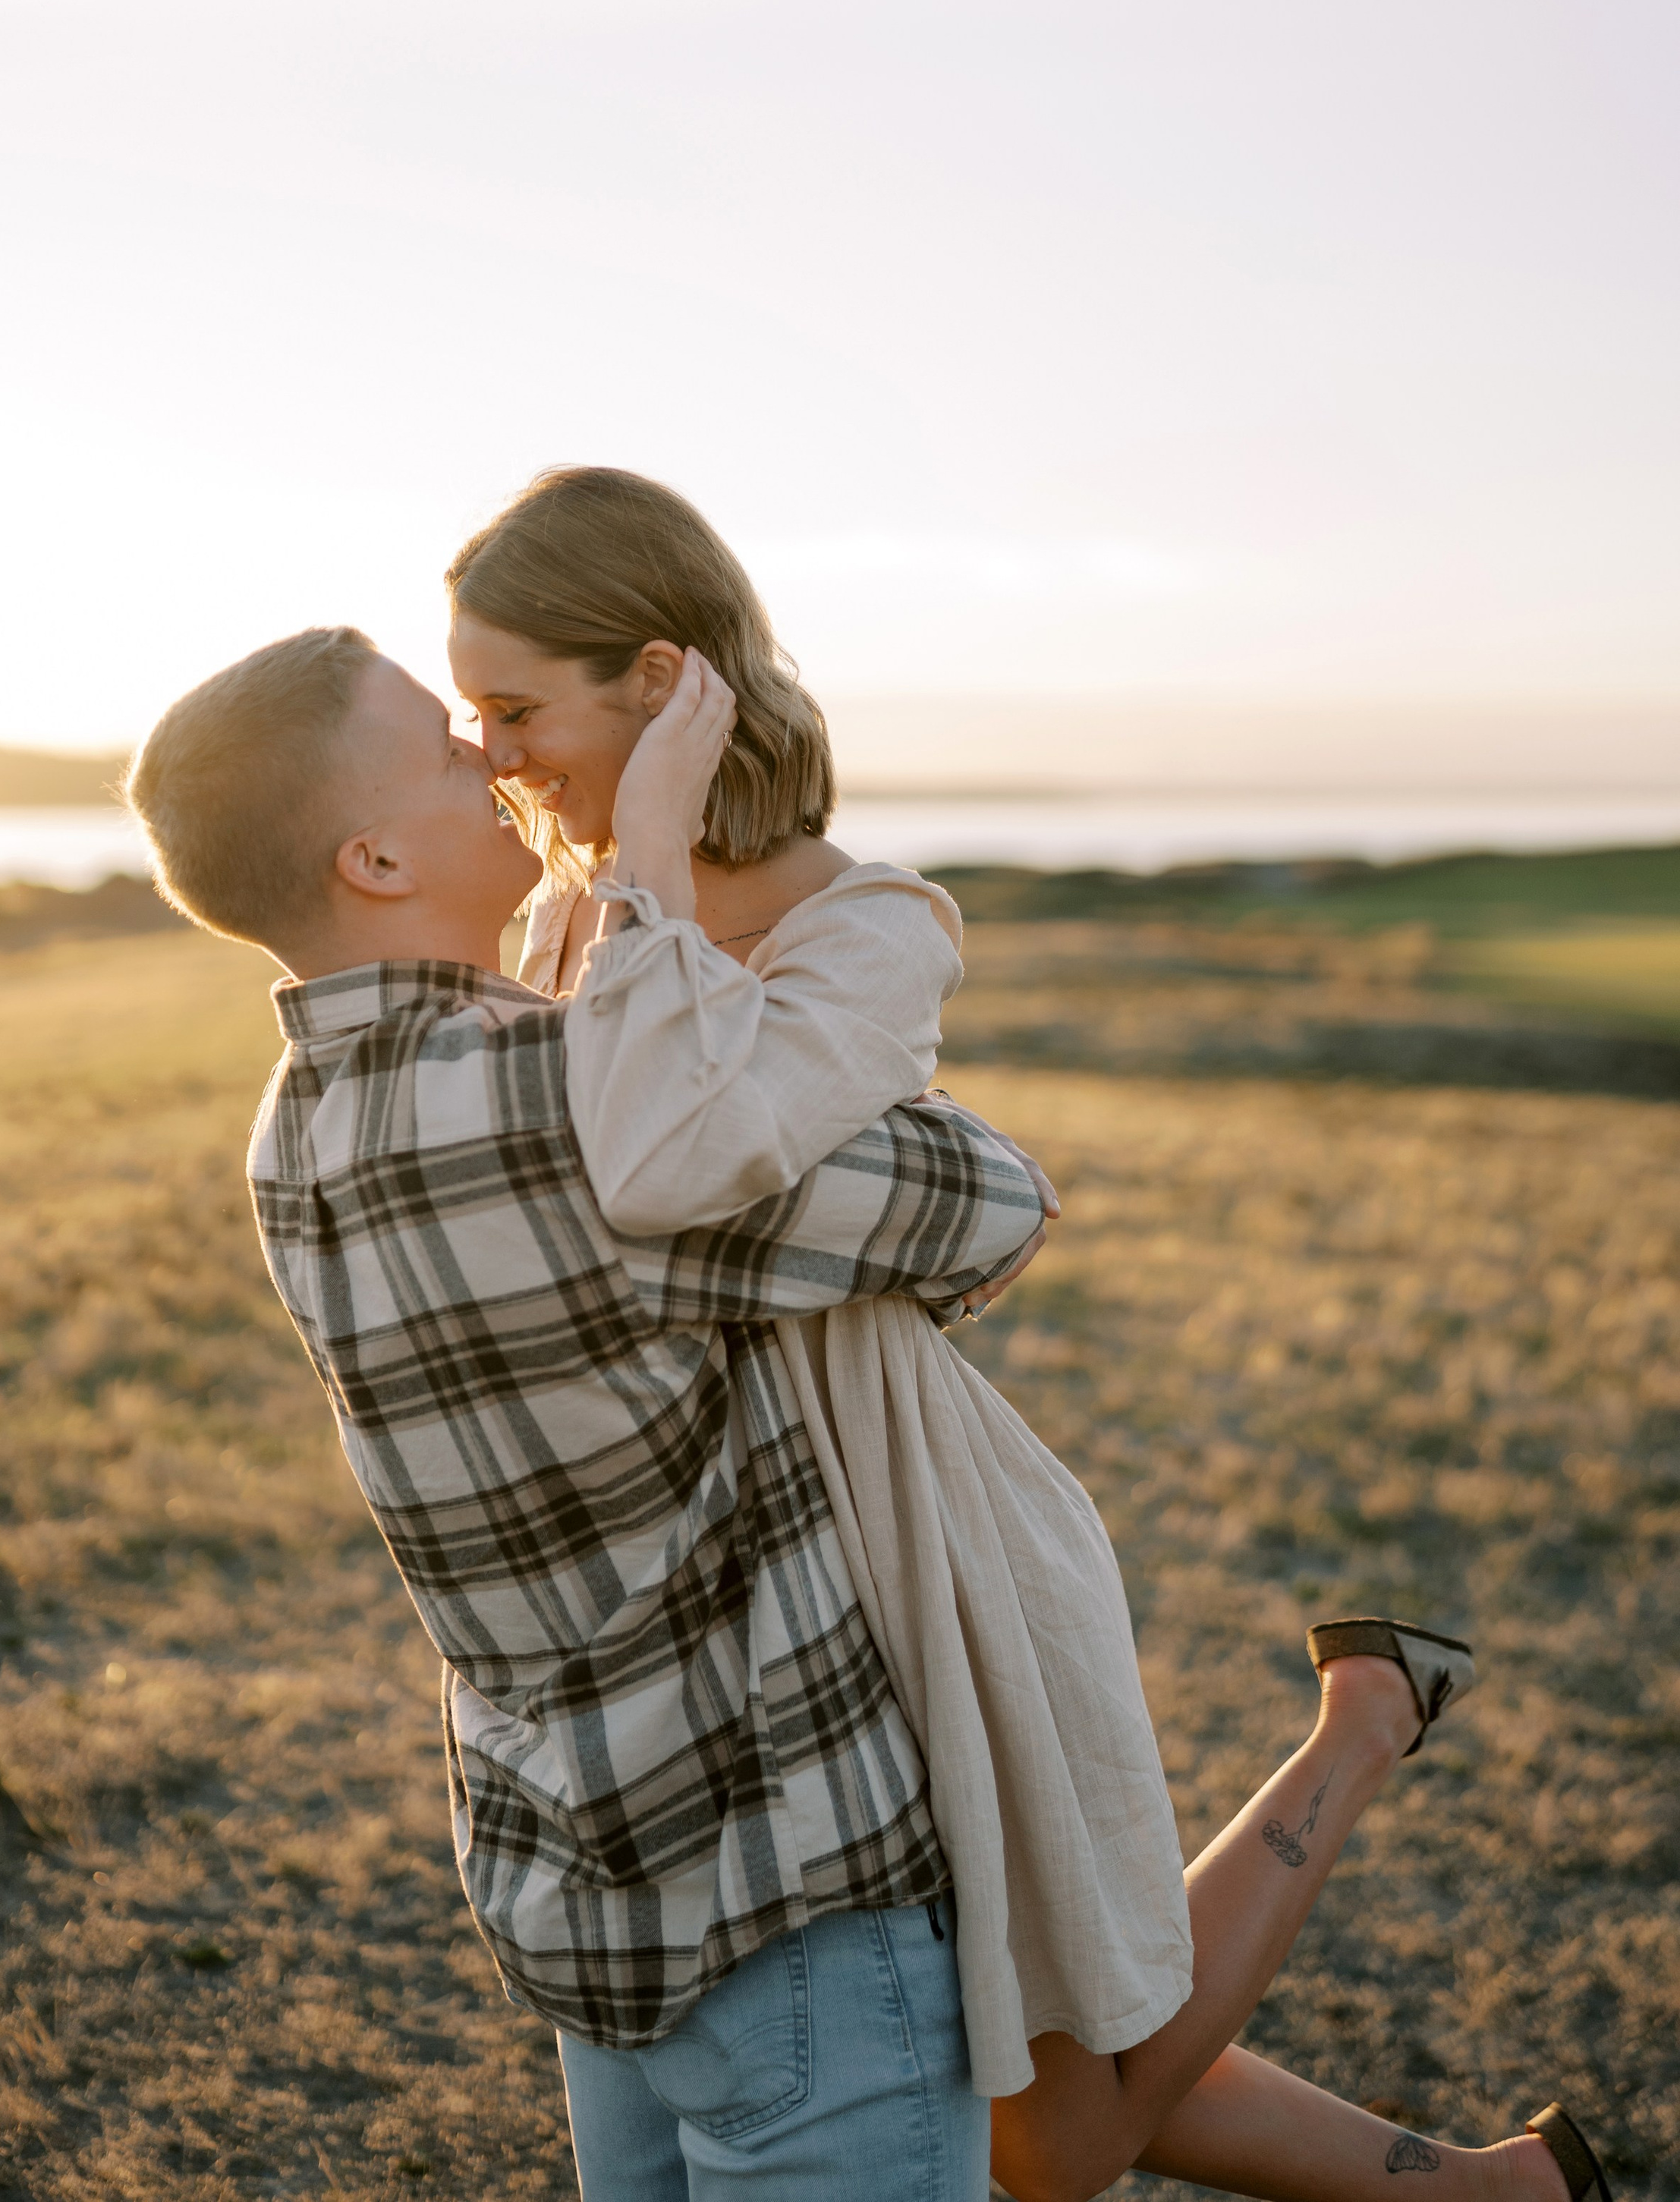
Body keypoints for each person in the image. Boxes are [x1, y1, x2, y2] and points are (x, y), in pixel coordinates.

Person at [445, 465, 1611, 2202]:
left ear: (664, 684)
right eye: (469, 716)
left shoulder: (865, 928)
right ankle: (1489, 2189)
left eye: (515, 707)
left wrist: (660, 860)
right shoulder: (567, 916)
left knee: (1043, 2126)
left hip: (890, 1541)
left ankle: (1357, 1727)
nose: (494, 759)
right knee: (978, 2065)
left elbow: (661, 1162)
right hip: (680, 1578)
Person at [122, 622, 1049, 2202]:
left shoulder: (296, 1124)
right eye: (443, 746)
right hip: (786, 1890)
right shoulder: (554, 1105)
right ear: (373, 853)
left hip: (585, 1894)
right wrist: (668, 897)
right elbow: (982, 1204)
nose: (492, 758)